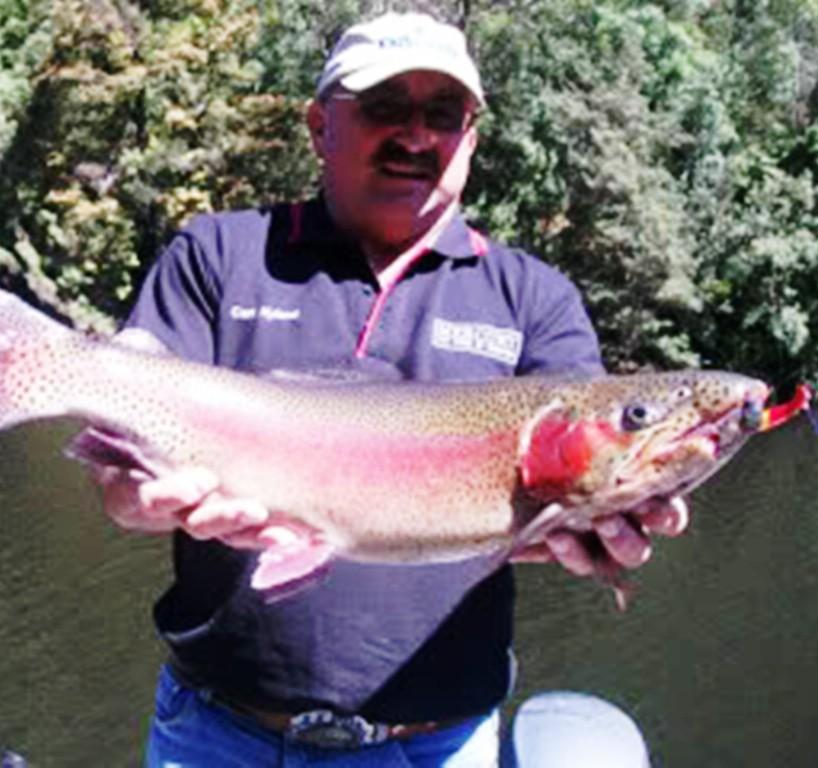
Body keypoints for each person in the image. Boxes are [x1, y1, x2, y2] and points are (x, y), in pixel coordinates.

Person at [97, 11, 685, 766]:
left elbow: (584, 463)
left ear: (469, 138)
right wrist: (134, 499)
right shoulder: (218, 254)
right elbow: (117, 473)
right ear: (320, 125)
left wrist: (610, 526)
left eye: (442, 115)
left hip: (435, 746)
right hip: (216, 734)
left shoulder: (534, 299)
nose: (415, 136)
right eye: (384, 109)